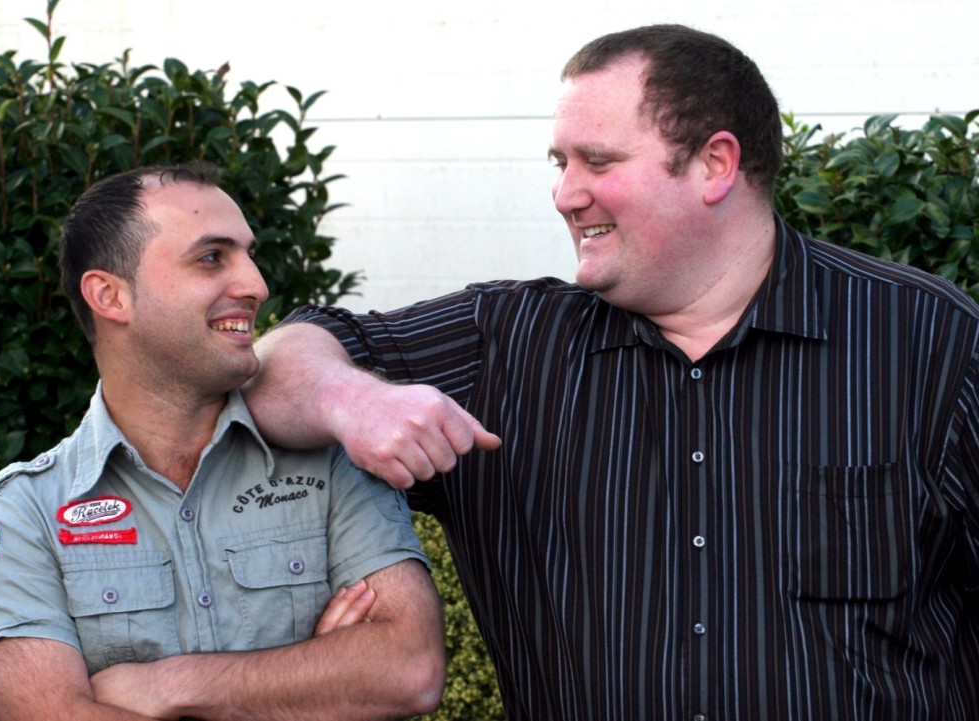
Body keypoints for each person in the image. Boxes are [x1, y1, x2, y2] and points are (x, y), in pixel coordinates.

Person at [244, 24, 979, 721]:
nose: (565, 193)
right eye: (559, 164)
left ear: (715, 165)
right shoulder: (501, 344)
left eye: (597, 161)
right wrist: (351, 399)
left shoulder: (930, 341)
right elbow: (275, 362)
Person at [0, 163, 445, 721]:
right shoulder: (25, 513)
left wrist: (171, 686)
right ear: (111, 296)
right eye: (212, 258)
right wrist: (310, 684)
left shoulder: (329, 462)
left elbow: (408, 669)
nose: (256, 285)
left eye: (248, 254)